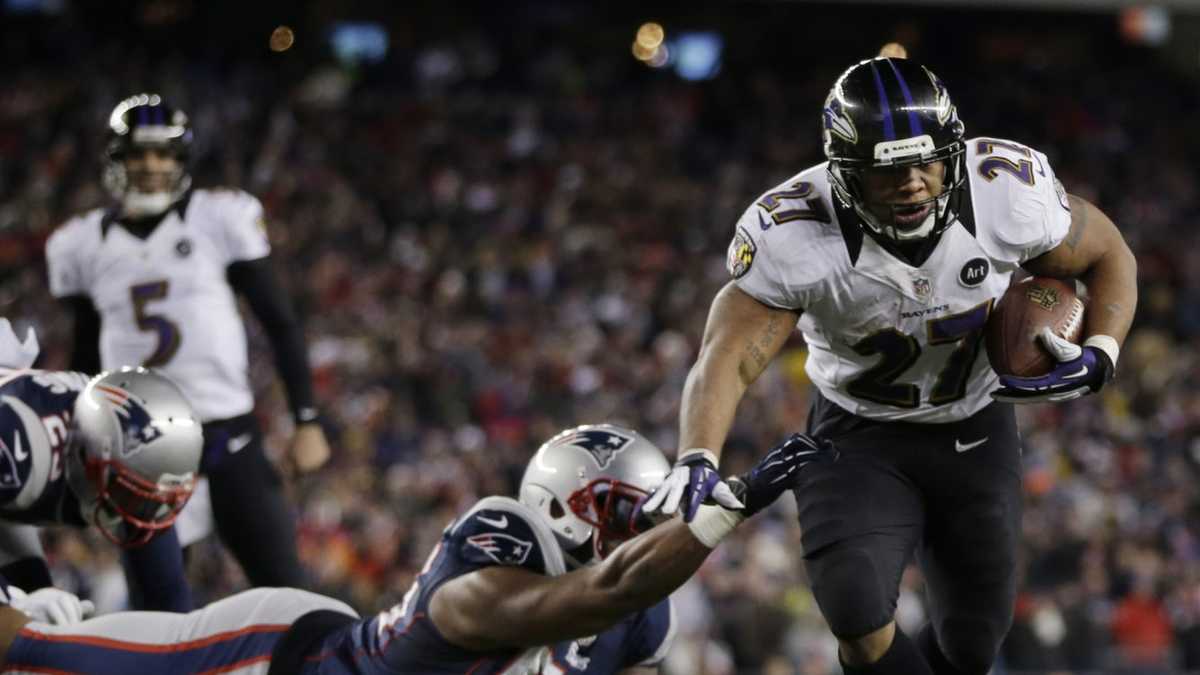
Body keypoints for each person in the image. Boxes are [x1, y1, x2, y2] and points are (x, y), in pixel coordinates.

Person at [645, 54, 1138, 675]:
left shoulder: (1004, 194)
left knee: (975, 639)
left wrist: (1103, 350)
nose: (912, 182)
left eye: (926, 161)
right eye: (889, 171)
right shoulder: (794, 230)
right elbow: (727, 357)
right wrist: (698, 454)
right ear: (845, 173)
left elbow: (1109, 252)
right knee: (854, 606)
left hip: (974, 424)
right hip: (859, 432)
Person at [0, 424, 836, 674]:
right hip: (268, 659)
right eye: (632, 514)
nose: (648, 532)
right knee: (39, 650)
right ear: (573, 511)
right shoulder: (500, 548)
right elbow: (582, 598)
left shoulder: (639, 620)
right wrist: (719, 517)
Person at [43, 93, 330, 593]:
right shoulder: (82, 244)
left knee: (286, 591)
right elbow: (86, 352)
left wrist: (306, 418)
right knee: (158, 611)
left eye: (163, 154)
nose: (151, 166)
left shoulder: (217, 219)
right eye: (138, 153)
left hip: (228, 435)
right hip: (140, 444)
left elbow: (280, 322)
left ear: (181, 160)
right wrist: (78, 438)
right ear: (118, 159)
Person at [0, 321, 203, 612]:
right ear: (85, 454)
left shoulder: (136, 469)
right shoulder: (19, 444)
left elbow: (168, 603)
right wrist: (11, 601)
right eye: (124, 490)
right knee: (24, 626)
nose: (131, 512)